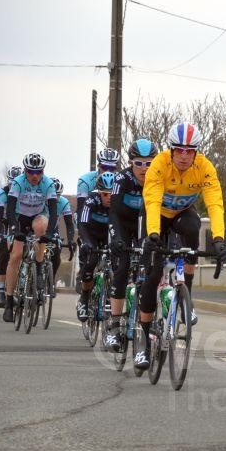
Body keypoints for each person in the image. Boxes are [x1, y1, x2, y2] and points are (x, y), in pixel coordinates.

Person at [135, 122, 226, 370]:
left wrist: (219, 239)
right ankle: (144, 343)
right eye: (179, 150)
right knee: (153, 274)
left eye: (190, 151)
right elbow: (152, 201)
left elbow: (215, 204)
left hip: (182, 213)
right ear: (171, 150)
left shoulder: (205, 168)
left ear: (196, 152)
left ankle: (187, 294)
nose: (184, 156)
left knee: (192, 228)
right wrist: (153, 233)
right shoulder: (159, 164)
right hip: (157, 215)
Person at [102, 139, 158, 352]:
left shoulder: (157, 178)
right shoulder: (121, 179)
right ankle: (114, 326)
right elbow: (114, 213)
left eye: (149, 163)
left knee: (149, 267)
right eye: (139, 163)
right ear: (130, 163)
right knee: (122, 267)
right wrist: (116, 238)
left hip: (145, 225)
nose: (144, 169)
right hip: (123, 225)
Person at [3, 154, 58, 322]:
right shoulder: (18, 182)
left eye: (38, 172)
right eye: (31, 172)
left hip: (37, 217)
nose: (35, 176)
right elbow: (10, 209)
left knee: (42, 227)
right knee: (16, 256)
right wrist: (14, 228)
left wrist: (49, 233)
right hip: (19, 218)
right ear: (25, 171)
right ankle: (9, 301)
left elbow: (53, 212)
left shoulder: (48, 184)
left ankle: (39, 268)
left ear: (43, 172)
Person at [76, 172, 114, 322]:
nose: (109, 197)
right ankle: (84, 299)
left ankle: (109, 296)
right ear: (99, 192)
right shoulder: (91, 199)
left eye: (111, 194)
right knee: (91, 262)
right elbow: (82, 223)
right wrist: (86, 242)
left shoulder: (117, 201)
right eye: (105, 194)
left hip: (108, 234)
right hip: (91, 234)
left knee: (117, 263)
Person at [0, 166, 22, 307]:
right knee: (5, 253)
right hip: (6, 222)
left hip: (20, 221)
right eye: (11, 183)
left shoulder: (24, 191)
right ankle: (0, 291)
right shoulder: (2, 193)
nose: (13, 186)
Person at [77, 148, 119, 222]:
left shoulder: (121, 180)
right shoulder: (85, 181)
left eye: (112, 168)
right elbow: (81, 209)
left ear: (116, 168)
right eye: (104, 167)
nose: (108, 171)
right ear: (98, 166)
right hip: (91, 214)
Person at [48, 178, 76, 280]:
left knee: (56, 254)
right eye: (53, 195)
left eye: (58, 195)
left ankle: (50, 281)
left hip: (53, 230)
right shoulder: (39, 199)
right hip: (37, 227)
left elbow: (69, 224)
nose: (55, 198)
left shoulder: (64, 202)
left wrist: (70, 240)